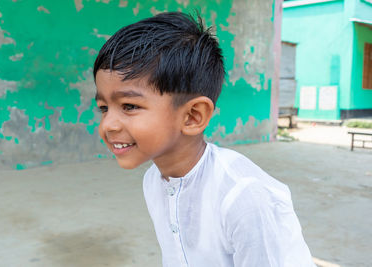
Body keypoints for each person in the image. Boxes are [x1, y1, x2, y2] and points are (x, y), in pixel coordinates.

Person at [93, 11, 316, 267]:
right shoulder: (154, 180)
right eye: (103, 108)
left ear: (192, 116)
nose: (107, 125)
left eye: (129, 106)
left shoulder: (243, 197)